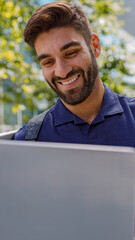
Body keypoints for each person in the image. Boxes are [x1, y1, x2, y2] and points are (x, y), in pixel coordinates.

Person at [14, 1, 135, 147]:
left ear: (95, 46)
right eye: (48, 62)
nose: (62, 71)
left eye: (70, 53)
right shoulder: (27, 142)